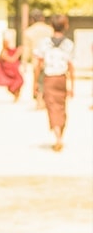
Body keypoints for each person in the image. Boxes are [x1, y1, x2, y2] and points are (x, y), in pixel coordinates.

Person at [35, 14, 75, 152]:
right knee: (62, 107)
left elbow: (38, 65)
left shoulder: (44, 43)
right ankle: (60, 135)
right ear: (66, 26)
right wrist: (72, 85)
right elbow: (71, 67)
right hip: (62, 78)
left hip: (49, 78)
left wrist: (35, 83)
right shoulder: (68, 44)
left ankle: (58, 137)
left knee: (52, 107)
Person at [23, 9, 54, 109]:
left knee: (37, 81)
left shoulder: (29, 31)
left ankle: (39, 101)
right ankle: (45, 100)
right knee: (48, 80)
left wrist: (24, 62)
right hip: (50, 59)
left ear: (32, 19)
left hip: (36, 60)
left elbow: (27, 48)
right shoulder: (50, 29)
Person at [0, 30, 24, 102]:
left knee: (19, 82)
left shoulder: (9, 50)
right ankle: (16, 96)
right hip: (8, 72)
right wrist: (18, 52)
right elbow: (12, 60)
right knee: (13, 85)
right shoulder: (3, 52)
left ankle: (16, 96)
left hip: (13, 71)